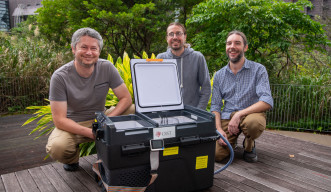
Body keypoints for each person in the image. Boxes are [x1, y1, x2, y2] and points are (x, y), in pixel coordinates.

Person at [46, 27, 133, 171]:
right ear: (74, 49)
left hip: (100, 118)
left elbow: (125, 98)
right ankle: (71, 160)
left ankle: (123, 151)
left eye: (94, 48)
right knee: (58, 147)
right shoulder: (60, 76)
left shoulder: (107, 67)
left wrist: (104, 122)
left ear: (99, 51)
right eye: (83, 47)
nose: (89, 52)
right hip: (72, 124)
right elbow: (59, 120)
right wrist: (92, 133)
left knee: (135, 110)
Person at [211, 30, 273, 163]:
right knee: (216, 155)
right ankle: (230, 142)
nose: (232, 46)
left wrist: (239, 115)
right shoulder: (219, 75)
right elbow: (215, 106)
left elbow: (266, 100)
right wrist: (219, 130)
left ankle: (249, 145)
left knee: (254, 124)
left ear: (245, 47)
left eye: (237, 43)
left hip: (250, 114)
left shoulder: (258, 70)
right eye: (229, 43)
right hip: (227, 116)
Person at [157, 22, 211, 110]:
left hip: (192, 113)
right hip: (167, 114)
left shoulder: (197, 57)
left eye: (178, 33)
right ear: (167, 38)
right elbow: (156, 88)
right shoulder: (160, 59)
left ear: (185, 36)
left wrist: (198, 112)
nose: (175, 37)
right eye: (171, 34)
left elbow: (206, 88)